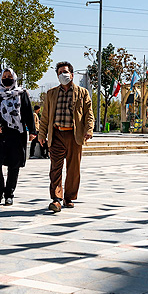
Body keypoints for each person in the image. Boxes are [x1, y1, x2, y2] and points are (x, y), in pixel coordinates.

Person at [39, 61, 93, 213]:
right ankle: (56, 199)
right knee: (55, 168)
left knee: (73, 169)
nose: (63, 75)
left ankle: (68, 197)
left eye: (65, 72)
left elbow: (89, 114)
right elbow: (45, 116)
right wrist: (42, 134)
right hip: (56, 134)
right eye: (60, 73)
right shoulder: (51, 94)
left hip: (74, 135)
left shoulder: (82, 93)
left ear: (72, 74)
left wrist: (89, 129)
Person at [0, 68, 35, 206]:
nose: (7, 78)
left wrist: (32, 131)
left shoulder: (22, 94)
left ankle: (9, 194)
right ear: (0, 79)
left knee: (14, 165)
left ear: (14, 78)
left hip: (16, 135)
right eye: (4, 76)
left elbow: (28, 112)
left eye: (9, 76)